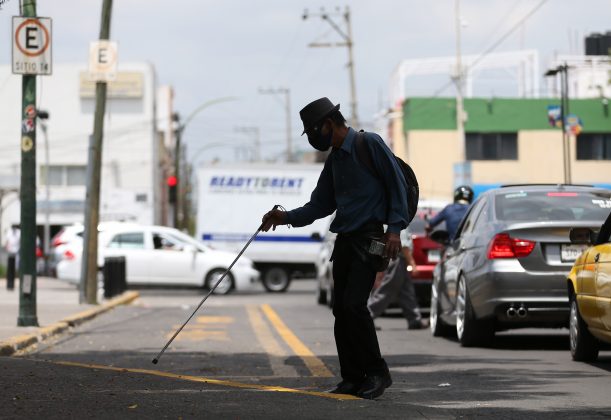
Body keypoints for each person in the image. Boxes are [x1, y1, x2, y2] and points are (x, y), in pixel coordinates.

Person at [261, 97, 409, 400]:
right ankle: (352, 378)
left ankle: (378, 372)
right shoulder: (335, 159)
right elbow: (320, 205)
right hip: (344, 241)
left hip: (370, 239)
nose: (314, 139)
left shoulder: (370, 144)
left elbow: (397, 186)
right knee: (341, 309)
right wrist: (285, 217)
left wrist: (394, 230)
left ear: (328, 124)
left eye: (314, 132)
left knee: (355, 305)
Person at [368, 228, 428, 330]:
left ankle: (414, 320)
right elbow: (404, 246)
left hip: (399, 261)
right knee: (386, 291)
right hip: (397, 260)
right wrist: (412, 264)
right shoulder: (400, 223)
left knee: (407, 292)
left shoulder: (398, 221)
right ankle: (366, 317)